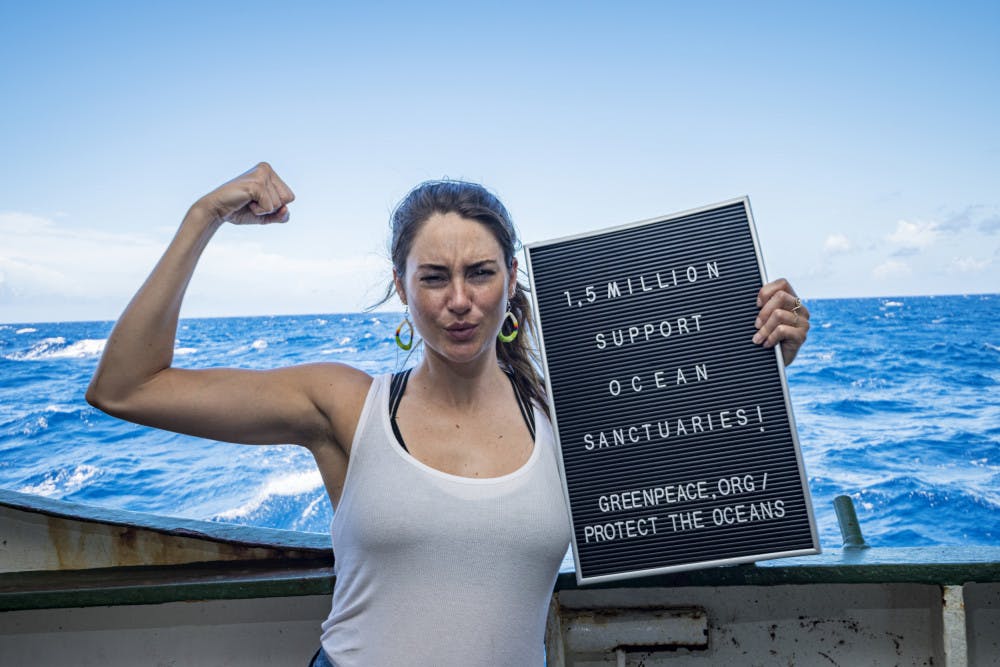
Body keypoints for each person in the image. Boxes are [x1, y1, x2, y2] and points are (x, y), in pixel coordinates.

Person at [86, 162, 811, 666]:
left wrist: (761, 360)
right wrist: (202, 215)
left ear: (511, 279)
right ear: (401, 288)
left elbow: (703, 489)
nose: (458, 299)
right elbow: (127, 385)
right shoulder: (346, 404)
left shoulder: (576, 411)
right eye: (433, 277)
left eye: (480, 272)